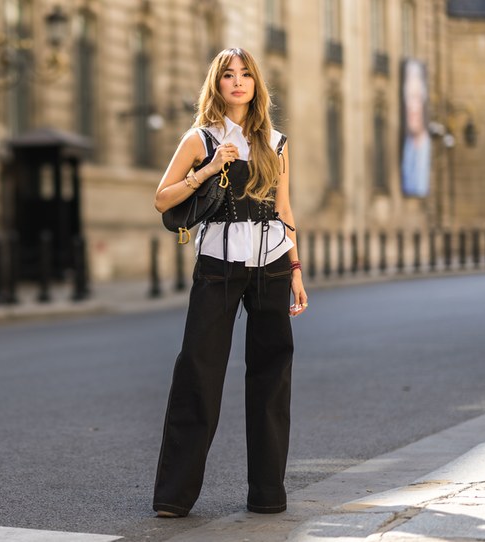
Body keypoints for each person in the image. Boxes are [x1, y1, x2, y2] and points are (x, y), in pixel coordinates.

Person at [152, 47, 307, 518]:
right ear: (216, 85)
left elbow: (284, 209)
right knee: (198, 370)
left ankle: (267, 494)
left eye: (245, 75)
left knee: (272, 376)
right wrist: (210, 166)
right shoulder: (199, 138)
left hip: (273, 264)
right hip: (218, 264)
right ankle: (174, 497)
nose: (237, 82)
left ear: (256, 84)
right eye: (227, 75)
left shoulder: (277, 142)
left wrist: (297, 270)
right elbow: (163, 200)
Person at [401, 59, 431, 197]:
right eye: (410, 97)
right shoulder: (407, 146)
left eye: (417, 98)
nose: (413, 107)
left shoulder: (425, 146)